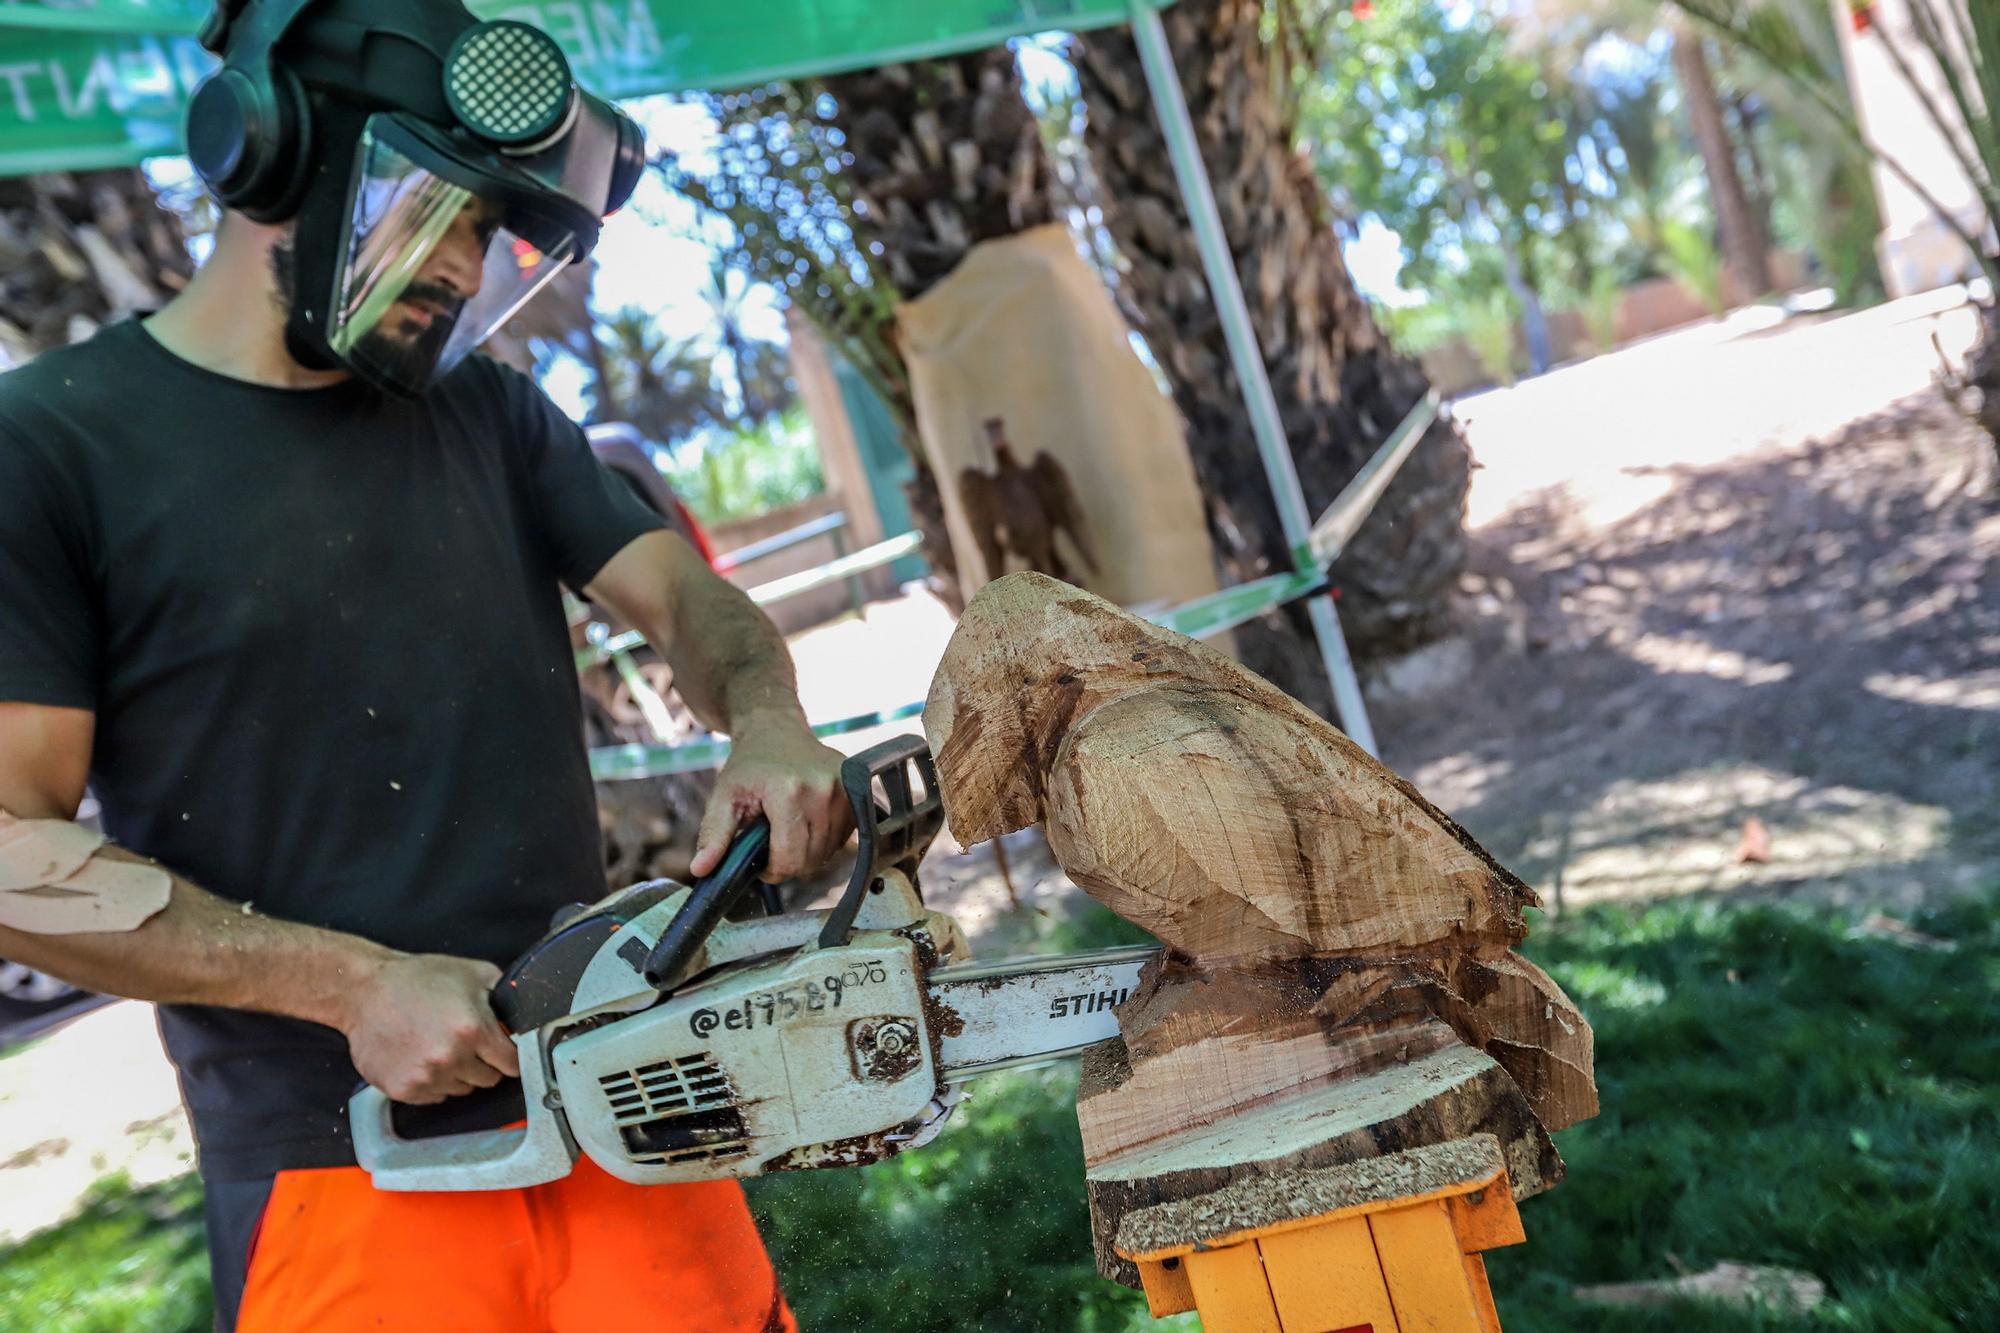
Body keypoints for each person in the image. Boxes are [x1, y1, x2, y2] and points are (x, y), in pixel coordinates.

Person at [0, 2, 846, 1328]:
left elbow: (689, 601)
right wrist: (345, 984)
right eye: (442, 212)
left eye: (489, 233)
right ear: (279, 153)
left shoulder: (488, 410)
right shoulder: (50, 453)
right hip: (341, 1177)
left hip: (617, 1109)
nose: (463, 265)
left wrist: (768, 712)